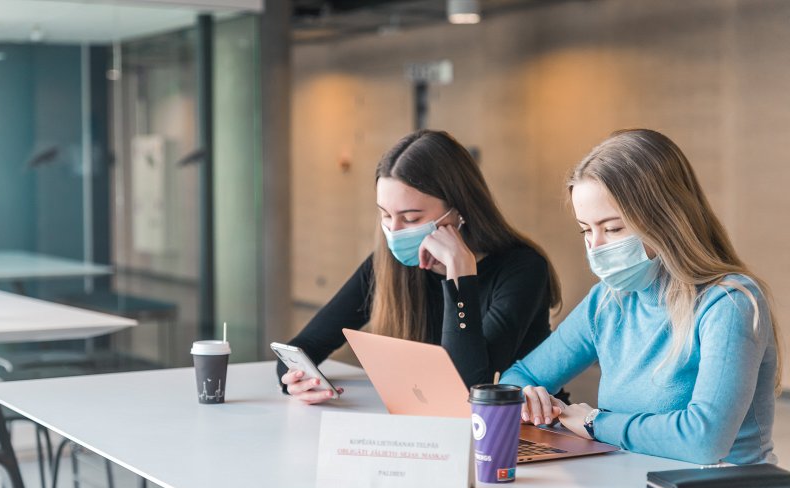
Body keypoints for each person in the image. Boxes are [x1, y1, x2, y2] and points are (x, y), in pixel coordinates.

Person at [501, 128, 782, 465]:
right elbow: (519, 378)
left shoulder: (729, 302)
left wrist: (595, 422)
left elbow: (704, 440)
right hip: (634, 486)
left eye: (613, 228)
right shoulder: (607, 301)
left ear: (665, 219)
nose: (596, 246)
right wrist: (527, 397)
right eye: (586, 230)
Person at [279, 129, 565, 404]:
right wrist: (297, 381)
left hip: (526, 431)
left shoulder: (523, 269)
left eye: (411, 219)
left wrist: (460, 276)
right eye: (385, 215)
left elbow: (468, 388)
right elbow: (299, 349)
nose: (394, 230)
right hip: (437, 429)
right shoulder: (389, 264)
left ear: (459, 210)